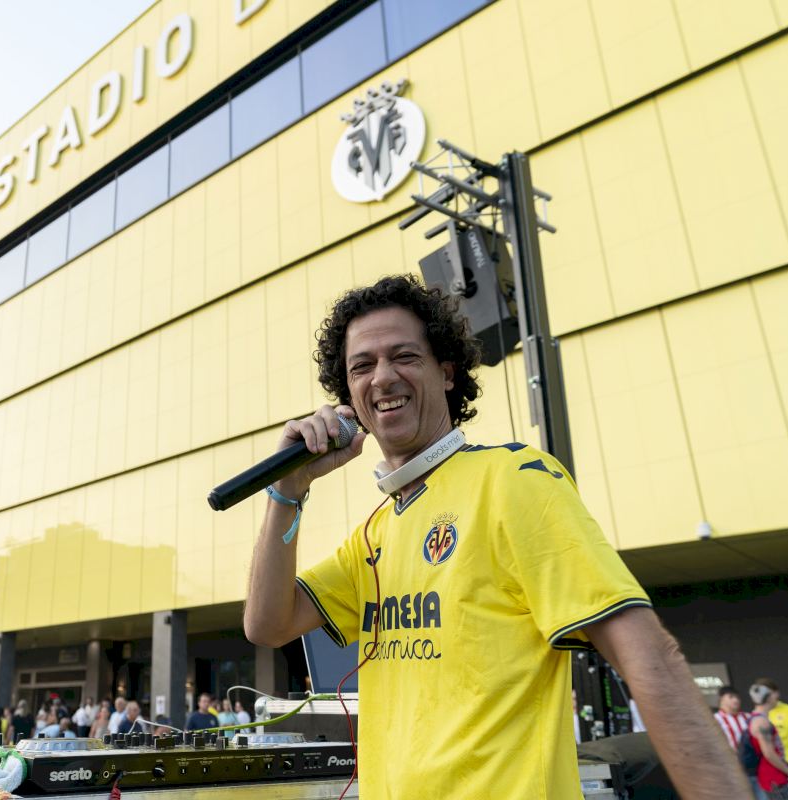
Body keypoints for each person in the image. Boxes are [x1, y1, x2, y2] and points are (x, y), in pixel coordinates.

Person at [243, 275, 752, 799]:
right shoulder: (374, 533)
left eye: (404, 356)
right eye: (362, 366)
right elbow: (267, 623)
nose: (383, 377)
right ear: (348, 396)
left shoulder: (514, 479)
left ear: (446, 373)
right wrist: (288, 489)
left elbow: (649, 655)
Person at [749, 682, 788, 799]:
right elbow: (769, 753)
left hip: (774, 777)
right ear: (768, 698)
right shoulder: (761, 722)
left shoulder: (757, 719)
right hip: (774, 779)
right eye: (773, 694)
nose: (777, 697)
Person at [715, 686, 752, 750]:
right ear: (721, 699)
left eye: (737, 697)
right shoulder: (716, 719)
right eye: (731, 697)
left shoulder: (748, 716)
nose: (736, 700)